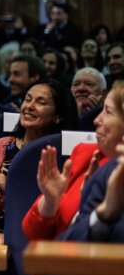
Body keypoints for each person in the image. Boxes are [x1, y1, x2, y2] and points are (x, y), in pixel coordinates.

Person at [0, 80, 78, 244]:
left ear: (58, 116)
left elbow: (64, 211)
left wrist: (10, 187)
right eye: (27, 99)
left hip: (46, 234)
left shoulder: (66, 156)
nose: (30, 106)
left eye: (41, 102)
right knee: (2, 243)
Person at [24, 82, 123, 241]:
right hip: (55, 261)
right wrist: (51, 201)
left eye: (108, 112)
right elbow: (33, 234)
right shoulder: (87, 154)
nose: (96, 120)